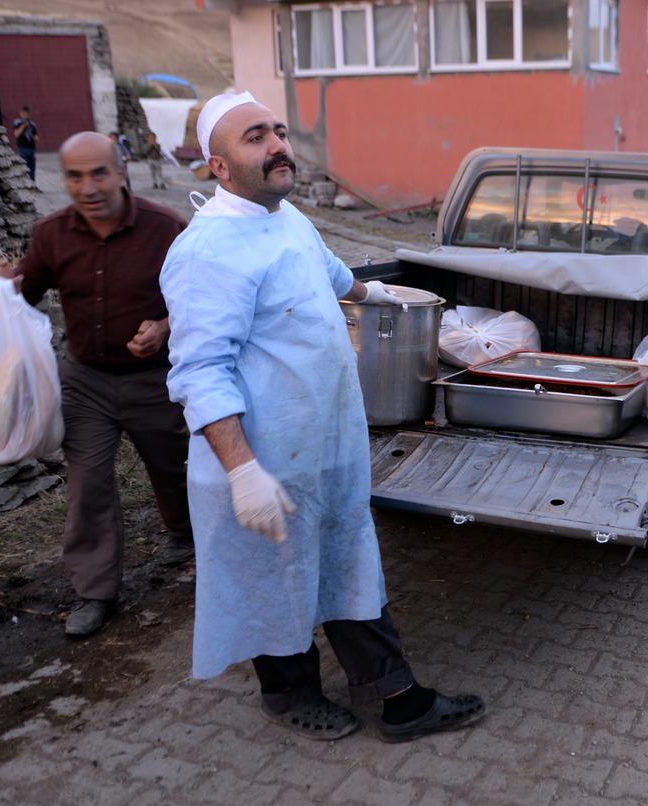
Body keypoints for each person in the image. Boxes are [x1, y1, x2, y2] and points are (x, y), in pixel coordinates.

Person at [159, 92, 485, 742]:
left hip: (324, 454)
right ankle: (301, 695)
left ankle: (395, 698)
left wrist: (382, 295)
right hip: (261, 463)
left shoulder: (286, 219)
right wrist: (244, 471)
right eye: (255, 137)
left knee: (343, 571)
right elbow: (199, 373)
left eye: (278, 131)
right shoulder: (207, 253)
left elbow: (334, 276)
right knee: (275, 586)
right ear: (219, 167)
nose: (277, 144)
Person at [0, 132, 195, 638]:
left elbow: (203, 299)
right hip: (85, 383)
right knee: (88, 487)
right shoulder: (52, 234)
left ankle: (185, 534)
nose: (88, 187)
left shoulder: (166, 228)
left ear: (121, 171)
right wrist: (8, 288)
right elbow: (30, 290)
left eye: (99, 173)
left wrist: (165, 326)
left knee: (174, 467)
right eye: (75, 176)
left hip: (156, 381)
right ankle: (95, 591)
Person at [11, 105, 38, 181]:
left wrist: (35, 138)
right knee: (24, 168)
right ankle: (26, 184)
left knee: (32, 168)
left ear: (29, 114)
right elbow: (16, 134)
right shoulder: (17, 122)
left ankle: (33, 185)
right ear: (20, 113)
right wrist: (23, 126)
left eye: (26, 113)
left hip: (32, 149)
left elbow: (35, 136)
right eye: (23, 113)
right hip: (23, 148)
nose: (24, 115)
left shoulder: (33, 124)